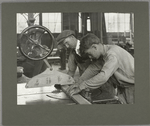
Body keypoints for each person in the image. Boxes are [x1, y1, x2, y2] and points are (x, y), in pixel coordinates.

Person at [67, 33, 134, 104]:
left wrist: (82, 86)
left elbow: (103, 76)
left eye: (89, 54)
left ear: (94, 47)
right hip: (123, 87)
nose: (89, 57)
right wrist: (78, 82)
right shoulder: (103, 55)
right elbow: (92, 69)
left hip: (133, 86)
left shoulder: (112, 55)